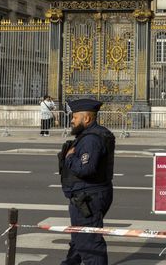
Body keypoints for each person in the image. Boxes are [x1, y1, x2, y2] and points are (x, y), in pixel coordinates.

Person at [58, 98, 115, 265]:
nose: (72, 120)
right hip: (90, 194)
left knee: (89, 243)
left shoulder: (91, 139)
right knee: (79, 237)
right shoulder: (90, 135)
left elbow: (86, 169)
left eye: (75, 117)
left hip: (88, 197)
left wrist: (69, 158)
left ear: (87, 118)